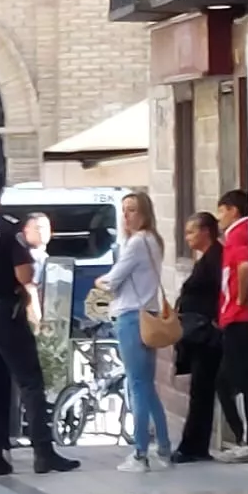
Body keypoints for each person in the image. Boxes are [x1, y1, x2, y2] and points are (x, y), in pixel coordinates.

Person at [0, 169, 80, 477]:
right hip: (2, 308)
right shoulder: (8, 228)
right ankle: (43, 453)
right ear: (0, 194)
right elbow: (24, 275)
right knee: (29, 380)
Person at [98, 190, 172, 473]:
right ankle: (163, 446)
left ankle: (140, 452)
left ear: (144, 213)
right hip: (149, 315)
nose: (126, 216)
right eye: (124, 210)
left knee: (137, 385)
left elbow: (114, 280)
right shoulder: (154, 240)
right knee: (147, 384)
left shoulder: (137, 242)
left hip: (131, 316)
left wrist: (102, 280)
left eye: (132, 210)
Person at [172, 211, 224, 465]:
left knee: (202, 391)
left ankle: (193, 445)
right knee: (199, 390)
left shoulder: (216, 258)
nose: (188, 237)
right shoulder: (206, 259)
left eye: (192, 231)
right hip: (198, 334)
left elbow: (222, 293)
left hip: (207, 335)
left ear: (206, 231)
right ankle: (193, 445)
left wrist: (216, 320)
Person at [215, 188, 248, 461]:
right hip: (239, 318)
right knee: (239, 380)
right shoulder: (243, 231)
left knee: (235, 380)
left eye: (221, 211)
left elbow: (244, 267)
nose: (219, 218)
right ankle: (247, 436)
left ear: (232, 210)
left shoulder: (238, 233)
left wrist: (240, 300)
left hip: (239, 319)